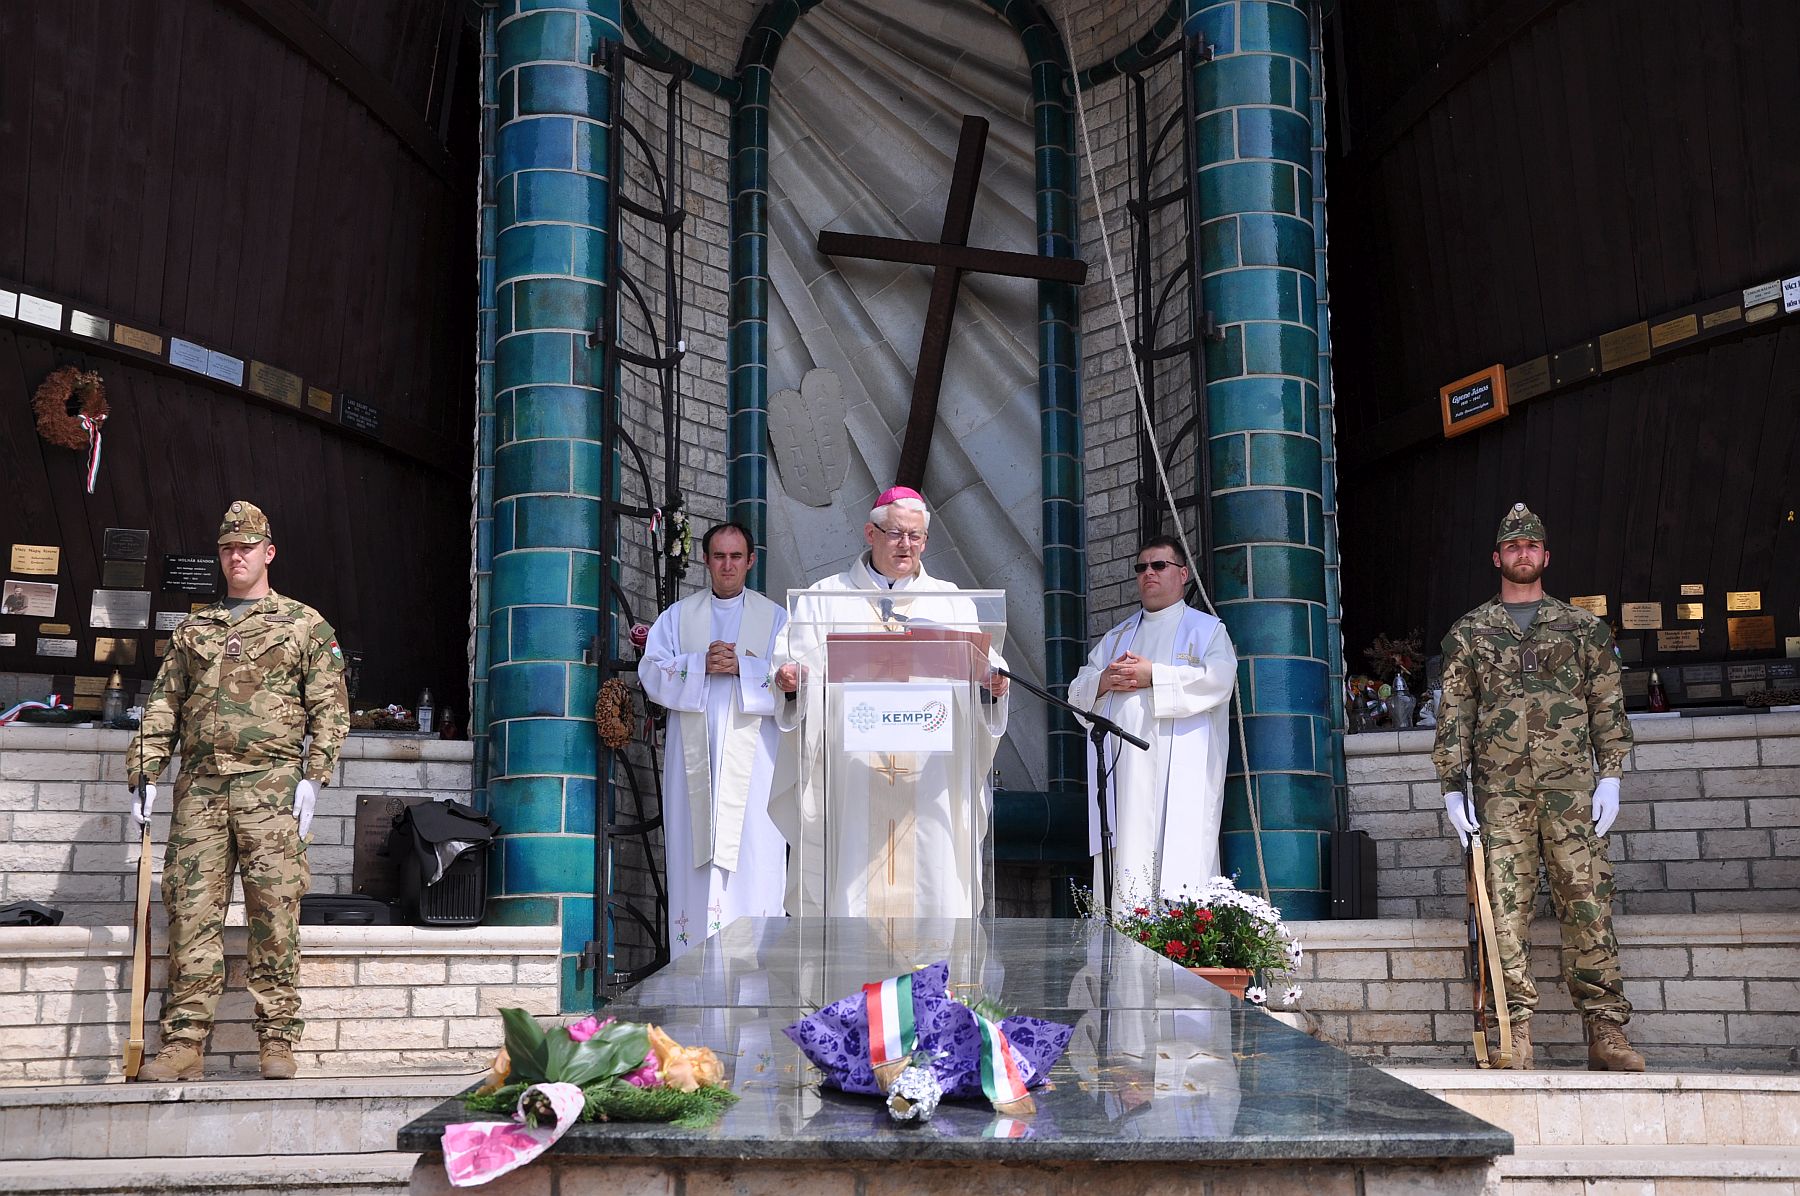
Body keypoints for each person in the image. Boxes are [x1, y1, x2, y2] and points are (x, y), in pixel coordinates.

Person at [128, 501, 348, 1082]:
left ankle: (276, 1041)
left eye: (247, 547)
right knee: (190, 916)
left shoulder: (303, 625)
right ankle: (183, 1045)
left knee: (275, 915)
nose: (236, 557)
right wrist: (145, 773)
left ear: (268, 553)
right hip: (200, 789)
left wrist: (314, 776)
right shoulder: (194, 630)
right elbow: (164, 707)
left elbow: (330, 706)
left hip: (271, 788)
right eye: (228, 548)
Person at [1433, 502, 1645, 1071]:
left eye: (1531, 546)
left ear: (1545, 556)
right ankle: (1513, 1033)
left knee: (1589, 906)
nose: (1522, 554)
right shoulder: (1471, 634)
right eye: (1512, 546)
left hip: (1573, 793)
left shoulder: (1583, 629)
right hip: (1500, 796)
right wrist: (1453, 787)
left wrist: (1612, 777)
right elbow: (1455, 714)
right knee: (1502, 911)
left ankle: (1606, 1032)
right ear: (1496, 557)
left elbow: (1607, 707)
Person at [770, 486, 1009, 918]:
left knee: (931, 889)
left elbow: (985, 666)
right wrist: (793, 683)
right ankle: (853, 984)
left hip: (931, 772)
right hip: (851, 773)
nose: (906, 545)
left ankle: (933, 985)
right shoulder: (826, 599)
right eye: (896, 533)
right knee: (853, 887)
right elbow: (795, 668)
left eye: (915, 537)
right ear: (870, 533)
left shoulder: (951, 602)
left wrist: (990, 687)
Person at [637, 522, 789, 958]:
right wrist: (700, 664)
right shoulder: (679, 618)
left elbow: (798, 677)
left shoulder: (776, 618)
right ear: (706, 561)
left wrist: (746, 668)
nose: (727, 565)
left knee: (754, 859)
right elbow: (652, 671)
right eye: (719, 556)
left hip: (758, 768)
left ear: (751, 561)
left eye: (736, 557)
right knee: (695, 864)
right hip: (692, 771)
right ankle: (692, 976)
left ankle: (756, 979)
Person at [1067, 535, 1236, 910]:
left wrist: (1154, 676)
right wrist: (1104, 681)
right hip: (1126, 777)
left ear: (1182, 573)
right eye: (1142, 567)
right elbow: (1077, 690)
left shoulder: (1206, 630)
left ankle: (1181, 952)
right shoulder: (1117, 637)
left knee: (1180, 866)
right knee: (1127, 862)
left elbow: (1219, 680)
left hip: (1182, 780)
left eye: (1159, 566)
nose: (1149, 574)